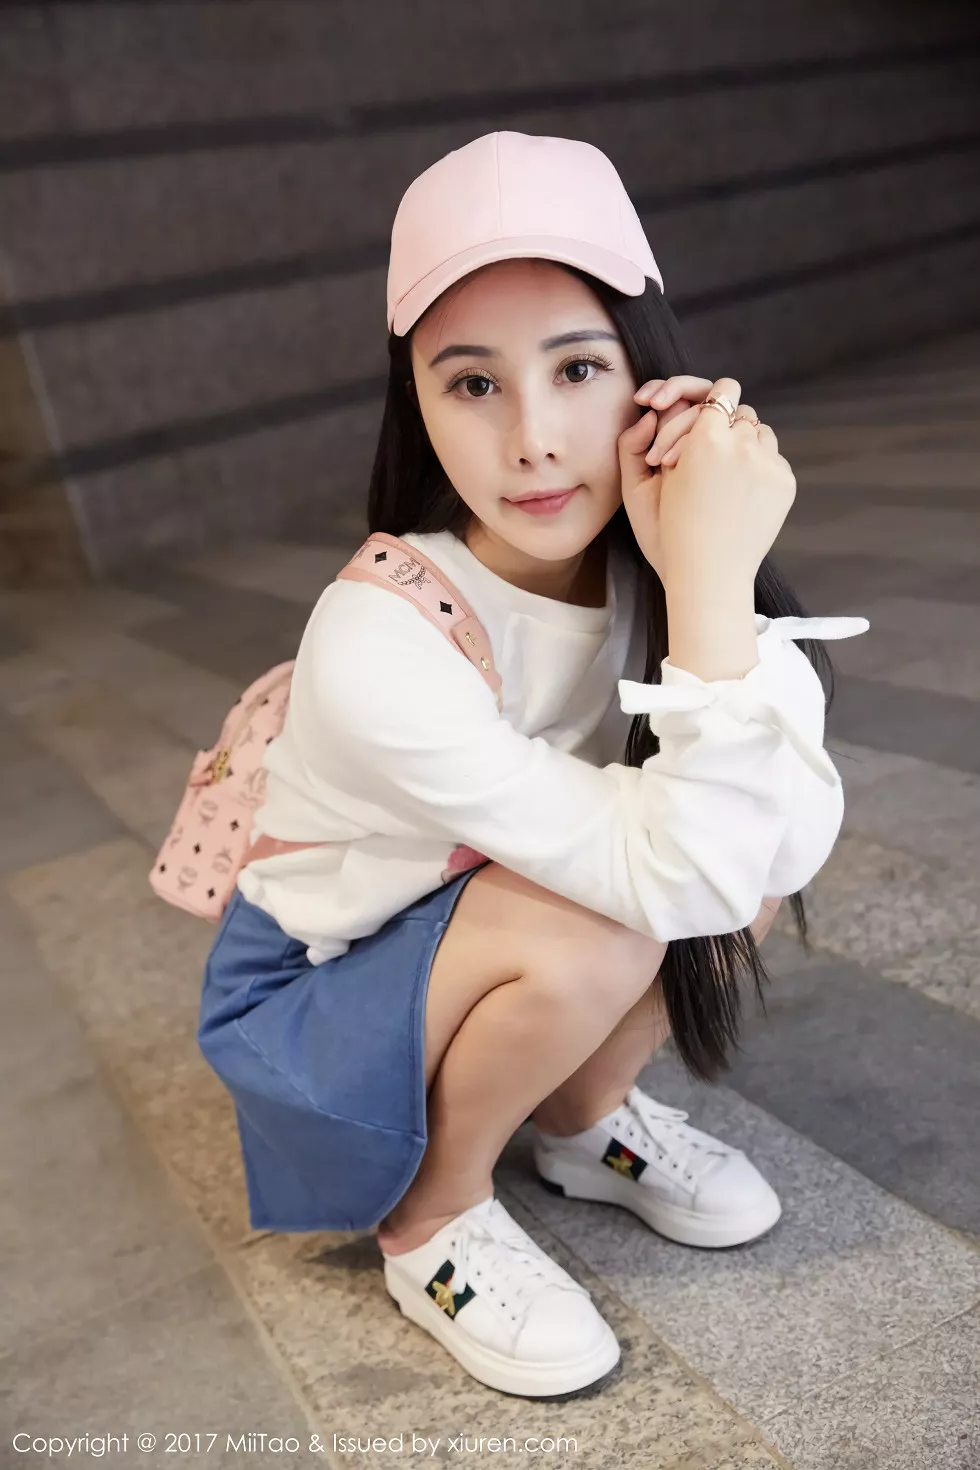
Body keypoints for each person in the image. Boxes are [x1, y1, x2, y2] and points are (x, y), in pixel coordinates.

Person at [197, 131, 869, 1399]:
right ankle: (430, 1222)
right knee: (608, 924)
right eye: (472, 383)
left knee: (740, 853)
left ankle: (576, 1120)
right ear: (415, 403)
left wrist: (708, 571)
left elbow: (770, 843)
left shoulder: (652, 561)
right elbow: (670, 877)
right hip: (314, 991)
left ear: (650, 377)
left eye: (576, 367)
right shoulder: (378, 635)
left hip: (488, 917)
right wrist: (705, 587)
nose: (533, 440)